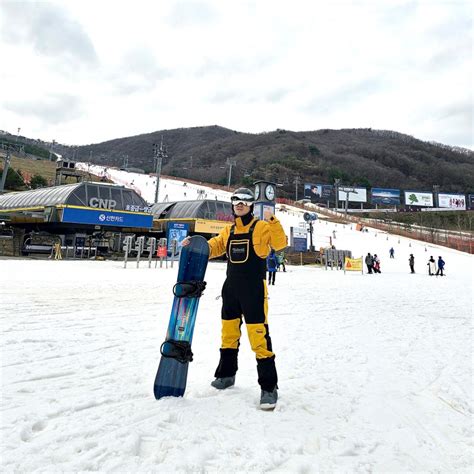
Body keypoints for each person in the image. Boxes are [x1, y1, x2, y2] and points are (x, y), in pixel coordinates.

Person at [184, 187, 287, 410]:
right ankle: (226, 375)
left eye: (245, 201)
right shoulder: (228, 231)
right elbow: (213, 247)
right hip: (231, 289)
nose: (239, 204)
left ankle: (269, 387)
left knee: (259, 337)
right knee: (228, 334)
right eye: (235, 200)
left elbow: (279, 245)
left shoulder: (262, 227)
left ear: (251, 205)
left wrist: (273, 221)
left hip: (254, 291)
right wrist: (194, 244)